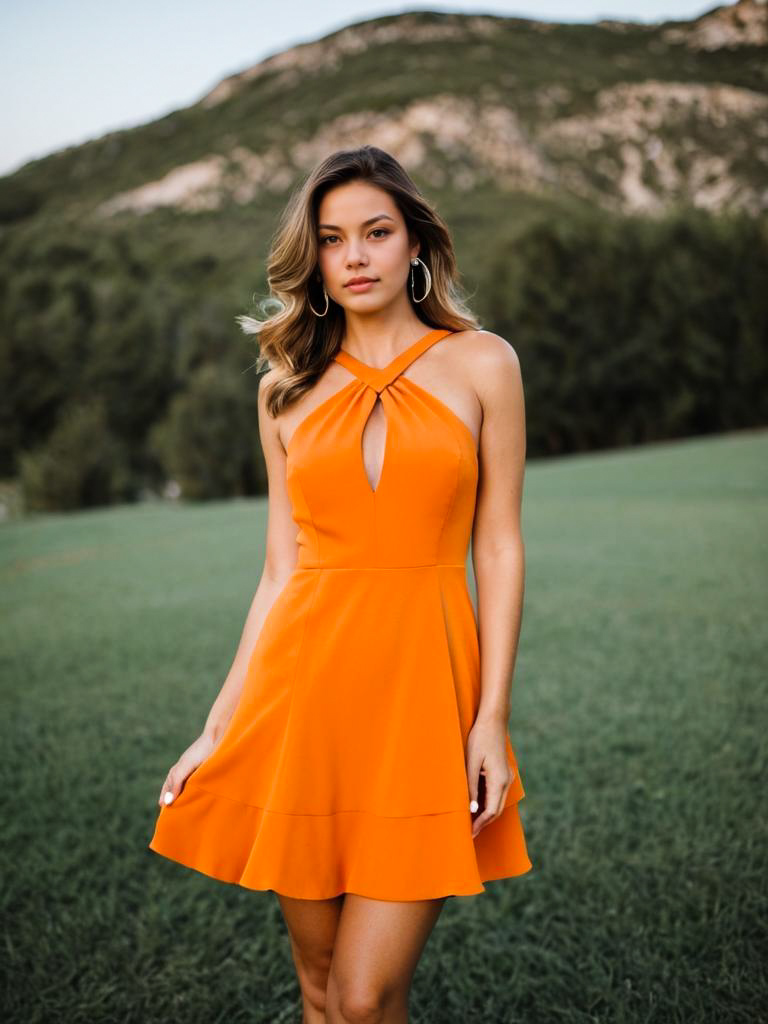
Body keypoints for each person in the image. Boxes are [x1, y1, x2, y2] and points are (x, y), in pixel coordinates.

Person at [148, 144, 532, 1023]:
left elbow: (500, 548)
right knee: (319, 989)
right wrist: (218, 726)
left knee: (364, 998)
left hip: (423, 699)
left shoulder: (483, 365)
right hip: (303, 700)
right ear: (313, 260)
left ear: (415, 245)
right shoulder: (285, 388)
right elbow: (281, 569)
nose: (355, 256)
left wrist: (492, 717)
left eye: (376, 232)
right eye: (332, 239)